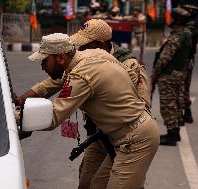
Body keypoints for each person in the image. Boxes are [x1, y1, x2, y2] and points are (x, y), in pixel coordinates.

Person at [18, 32, 159, 189]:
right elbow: (131, 75)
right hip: (119, 136)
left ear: (61, 57)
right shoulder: (94, 54)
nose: (42, 66)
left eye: (45, 61)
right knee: (95, 185)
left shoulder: (80, 75)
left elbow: (52, 116)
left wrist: (12, 118)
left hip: (136, 140)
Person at [69, 18, 151, 189]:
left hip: (121, 138)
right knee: (85, 182)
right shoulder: (86, 64)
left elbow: (142, 108)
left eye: (84, 45)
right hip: (98, 137)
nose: (80, 49)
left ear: (100, 44)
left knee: (102, 184)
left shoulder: (128, 64)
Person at [151, 7, 192, 146]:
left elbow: (164, 59)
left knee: (168, 105)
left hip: (169, 76)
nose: (170, 20)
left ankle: (172, 134)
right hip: (178, 75)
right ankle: (174, 133)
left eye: (172, 17)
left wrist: (155, 74)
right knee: (174, 104)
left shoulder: (177, 37)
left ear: (178, 20)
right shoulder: (186, 34)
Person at [181, 4, 198, 124]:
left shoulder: (190, 29)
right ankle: (186, 113)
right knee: (184, 88)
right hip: (187, 59)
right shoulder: (191, 27)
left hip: (186, 60)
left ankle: (185, 114)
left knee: (182, 88)